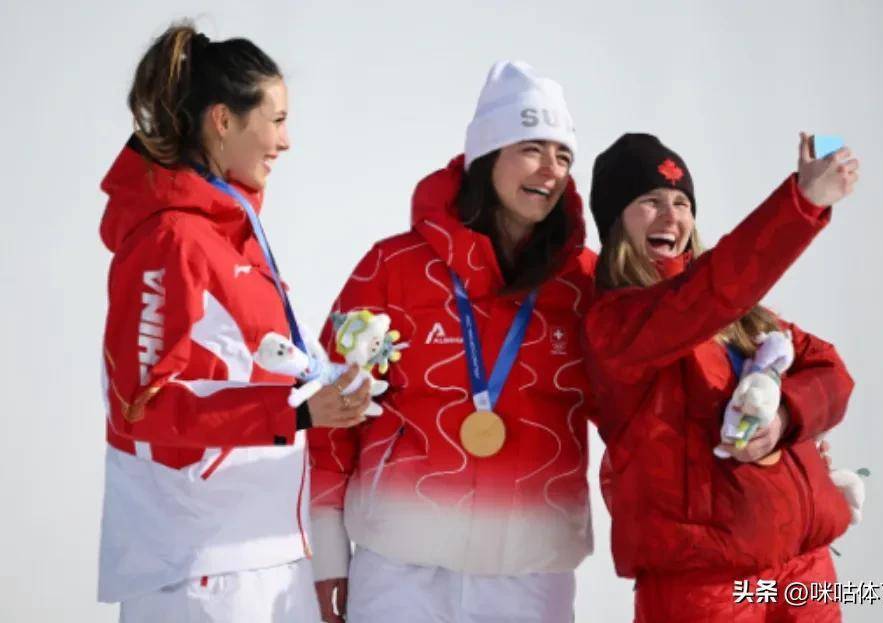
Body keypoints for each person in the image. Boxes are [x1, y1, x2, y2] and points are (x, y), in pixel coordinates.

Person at [308, 61, 597, 623]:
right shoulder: (392, 266)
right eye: (532, 149)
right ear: (487, 155)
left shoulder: (583, 282)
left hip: (532, 577)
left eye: (564, 155)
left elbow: (638, 403)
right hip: (400, 570)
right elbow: (331, 410)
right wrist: (327, 554)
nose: (551, 169)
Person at [98, 22, 367, 622]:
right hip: (198, 566)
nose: (286, 141)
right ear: (223, 120)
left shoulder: (232, 232)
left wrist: (333, 383)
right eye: (277, 121)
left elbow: (251, 364)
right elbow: (139, 408)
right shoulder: (171, 237)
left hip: (269, 553)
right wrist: (297, 413)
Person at [584, 132, 859, 621]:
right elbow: (707, 294)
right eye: (650, 201)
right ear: (615, 221)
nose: (672, 217)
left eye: (681, 203)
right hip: (707, 587)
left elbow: (830, 370)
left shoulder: (740, 315)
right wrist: (801, 204)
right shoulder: (617, 326)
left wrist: (785, 416)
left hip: (805, 571)